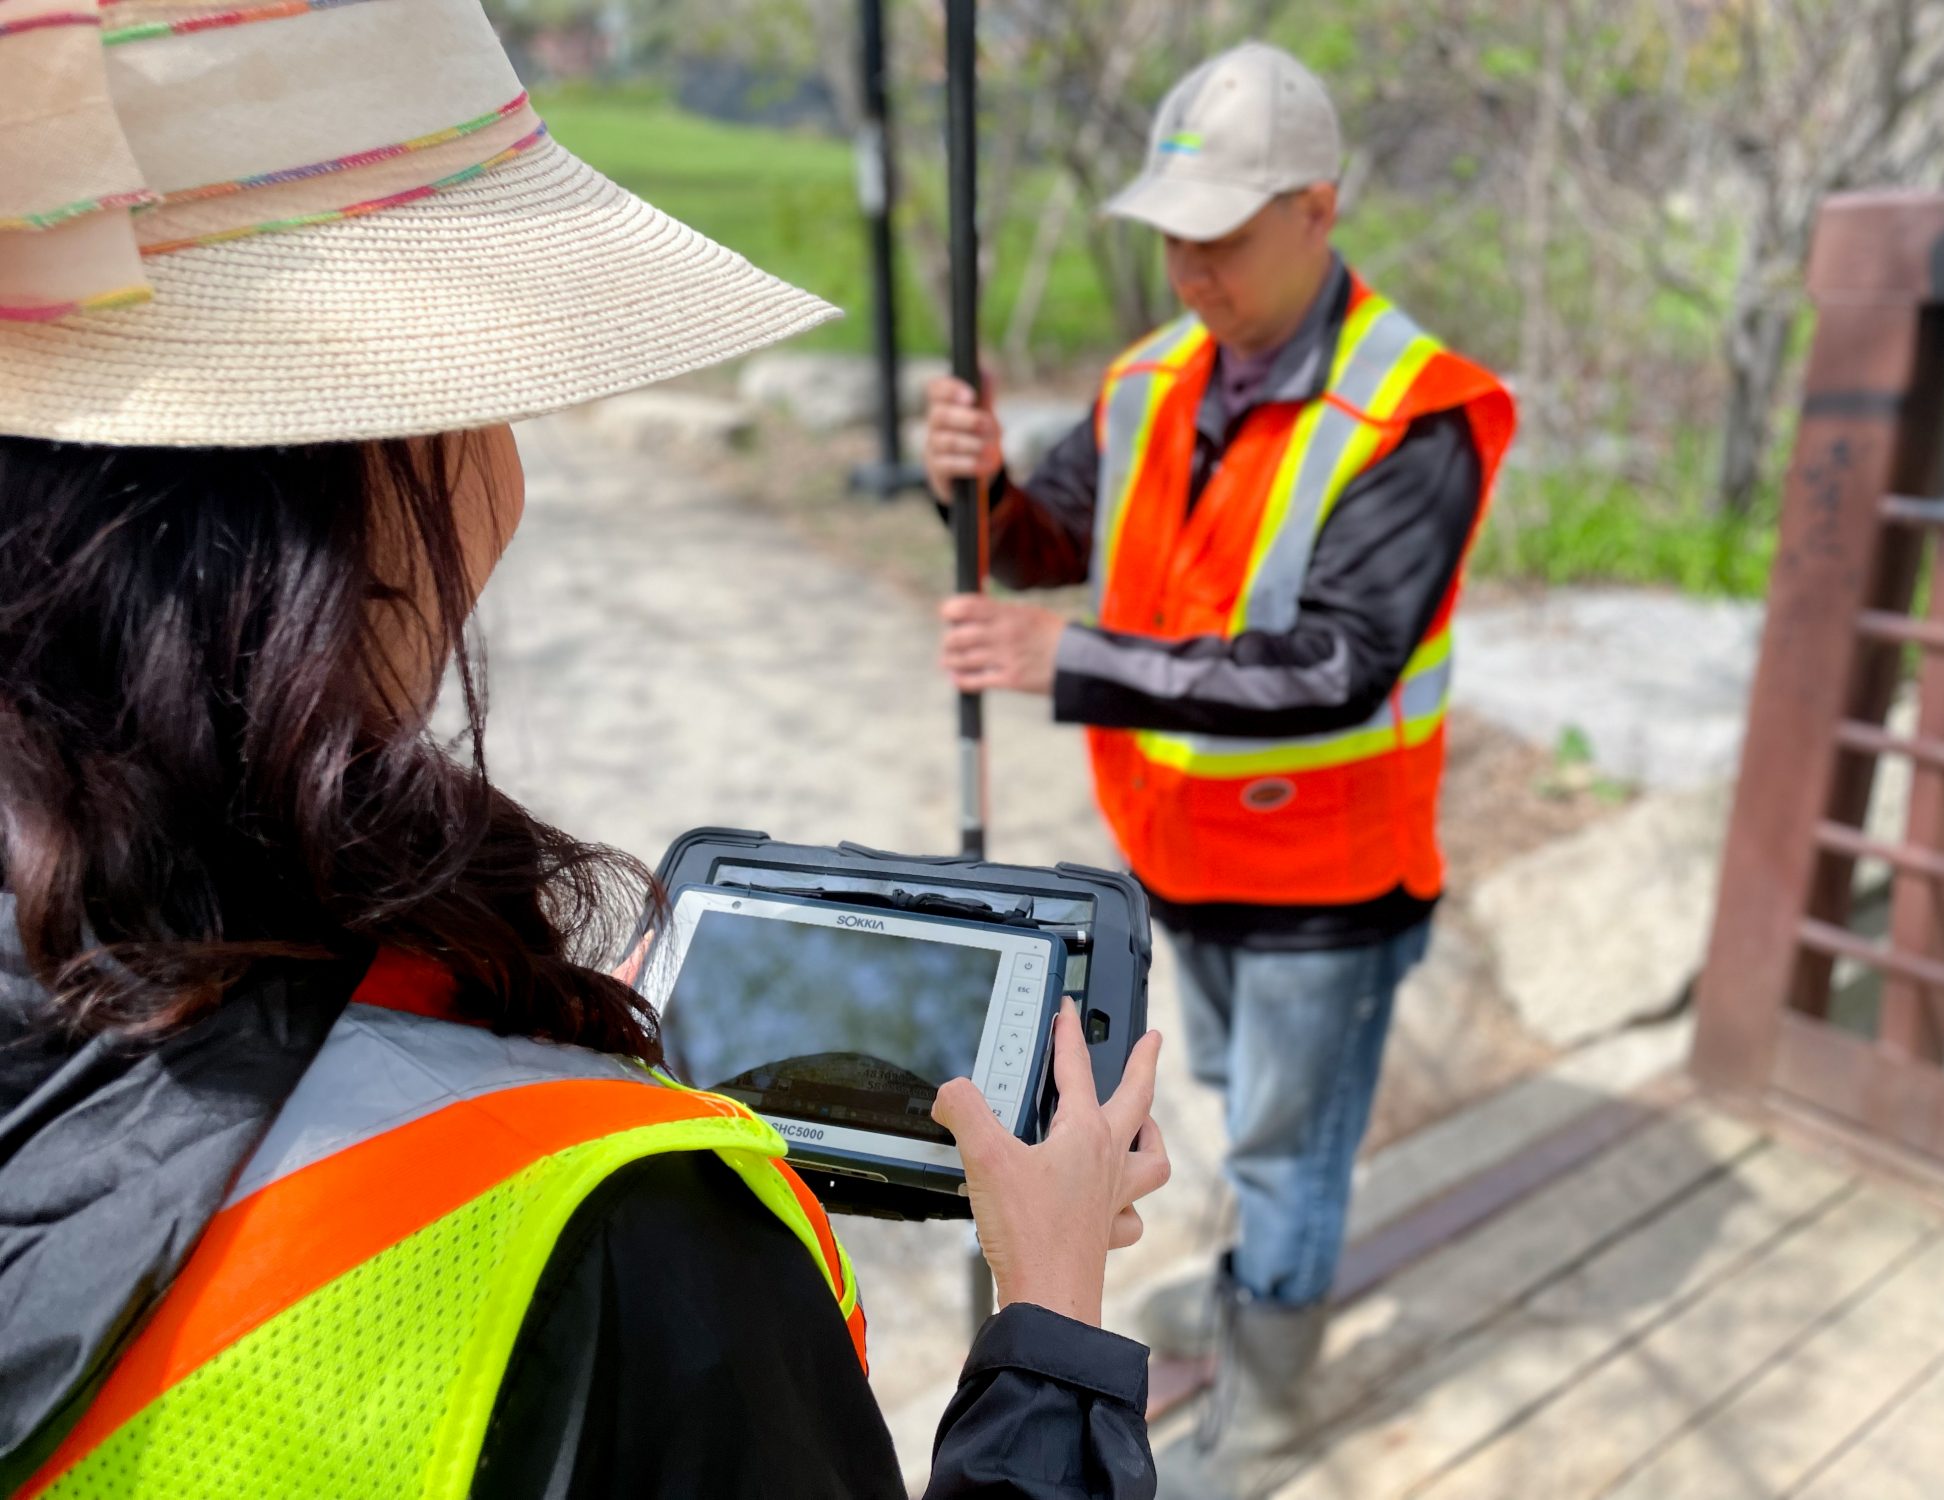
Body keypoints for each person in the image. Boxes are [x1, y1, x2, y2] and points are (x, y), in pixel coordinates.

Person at [0, 4, 1170, 1497]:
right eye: (486, 395)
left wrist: (432, 1036)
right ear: (346, 476)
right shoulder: (623, 1241)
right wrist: (1052, 1327)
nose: (510, 473)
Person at [922, 41, 1516, 1498]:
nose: (1190, 272)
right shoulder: (1149, 381)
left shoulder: (1413, 416)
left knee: (1283, 1142)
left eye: (1224, 240)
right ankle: (1261, 1303)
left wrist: (1065, 666)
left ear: (1320, 209)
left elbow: (1336, 663)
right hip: (1179, 860)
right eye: (1174, 239)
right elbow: (1046, 536)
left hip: (1325, 881)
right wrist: (979, 486)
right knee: (1235, 1104)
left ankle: (1278, 1374)